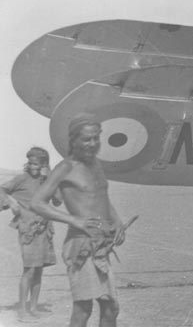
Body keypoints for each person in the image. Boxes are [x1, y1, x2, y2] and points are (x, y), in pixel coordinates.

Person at [30, 114, 128, 327]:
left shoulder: (96, 164)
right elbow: (37, 203)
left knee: (111, 308)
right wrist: (74, 220)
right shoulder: (65, 167)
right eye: (86, 139)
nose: (92, 144)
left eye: (96, 138)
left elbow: (100, 196)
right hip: (81, 246)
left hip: (102, 244)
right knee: (83, 308)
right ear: (73, 140)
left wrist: (117, 221)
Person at [1, 147, 61, 322]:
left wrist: (50, 178)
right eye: (30, 163)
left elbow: (57, 201)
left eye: (36, 164)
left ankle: (33, 307)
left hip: (45, 230)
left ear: (44, 165)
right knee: (29, 270)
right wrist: (11, 202)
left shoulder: (48, 181)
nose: (32, 166)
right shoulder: (21, 179)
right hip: (28, 230)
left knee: (39, 270)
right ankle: (22, 311)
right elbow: (1, 189)